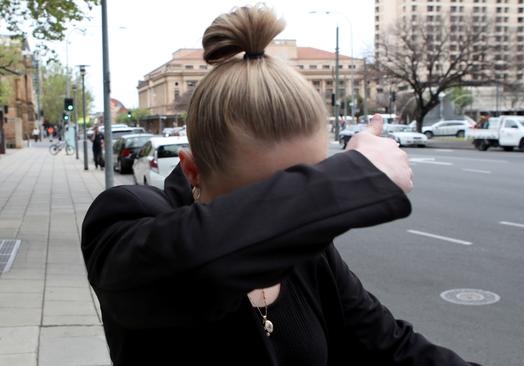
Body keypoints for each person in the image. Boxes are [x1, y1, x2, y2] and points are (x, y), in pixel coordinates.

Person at [82, 6, 478, 366]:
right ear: (194, 172)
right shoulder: (127, 223)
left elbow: (391, 347)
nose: (298, 199)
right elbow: (192, 264)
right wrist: (359, 174)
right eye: (282, 189)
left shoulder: (309, 254)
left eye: (310, 175)